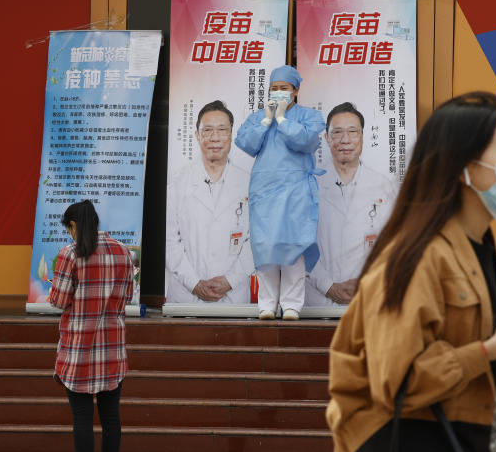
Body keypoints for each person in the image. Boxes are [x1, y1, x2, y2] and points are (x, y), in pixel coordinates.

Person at [327, 92, 496, 452]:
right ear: (463, 167)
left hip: (466, 434)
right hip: (412, 438)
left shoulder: (493, 253)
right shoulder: (415, 257)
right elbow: (399, 379)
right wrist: (487, 351)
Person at [235, 65, 325, 320]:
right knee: (265, 247)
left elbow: (306, 142)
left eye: (284, 89)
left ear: (296, 91)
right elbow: (246, 143)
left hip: (296, 192)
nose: (278, 93)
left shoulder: (309, 116)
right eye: (274, 89)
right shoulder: (257, 117)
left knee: (293, 247)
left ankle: (292, 305)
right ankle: (266, 305)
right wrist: (266, 121)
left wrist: (283, 120)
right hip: (264, 191)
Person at [48, 200, 135, 452]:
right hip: (112, 350)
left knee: (82, 420)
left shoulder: (70, 253)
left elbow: (59, 300)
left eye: (68, 229)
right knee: (111, 419)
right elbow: (128, 296)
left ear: (73, 225)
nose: (69, 234)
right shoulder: (123, 252)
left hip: (79, 351)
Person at [306, 102, 397, 307]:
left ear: (362, 136)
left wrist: (365, 283)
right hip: (318, 302)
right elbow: (298, 244)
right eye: (337, 132)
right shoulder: (310, 185)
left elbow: (392, 244)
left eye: (353, 132)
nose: (345, 140)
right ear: (327, 139)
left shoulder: (383, 186)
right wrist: (329, 286)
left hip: (367, 297)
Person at [165, 100, 253, 305]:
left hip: (233, 296)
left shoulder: (248, 183)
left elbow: (256, 242)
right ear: (197, 135)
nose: (215, 138)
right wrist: (195, 283)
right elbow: (169, 241)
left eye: (222, 130)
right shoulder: (177, 183)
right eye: (208, 130)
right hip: (187, 297)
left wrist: (230, 280)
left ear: (231, 134)